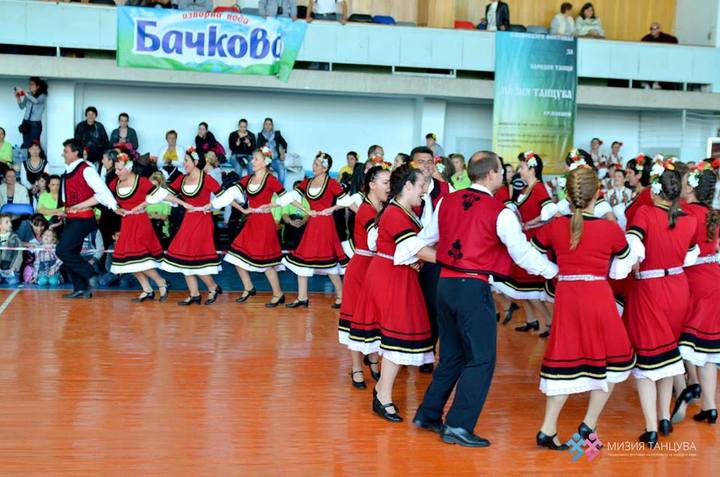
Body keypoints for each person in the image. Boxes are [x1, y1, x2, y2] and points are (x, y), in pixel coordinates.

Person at [413, 151, 558, 446]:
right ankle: (458, 425)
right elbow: (523, 254)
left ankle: (428, 414)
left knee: (452, 355)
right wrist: (555, 271)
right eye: (501, 172)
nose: (504, 176)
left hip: (445, 284)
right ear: (491, 173)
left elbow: (426, 237)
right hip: (472, 287)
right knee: (481, 358)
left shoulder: (446, 201)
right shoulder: (499, 211)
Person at [531, 166, 636, 450]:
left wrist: (557, 271)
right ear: (597, 194)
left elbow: (533, 252)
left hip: (567, 295)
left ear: (567, 193)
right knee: (614, 360)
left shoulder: (554, 225)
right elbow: (623, 264)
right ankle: (588, 424)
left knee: (564, 355)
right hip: (597, 296)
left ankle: (548, 428)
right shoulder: (610, 228)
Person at [351, 165, 437, 423]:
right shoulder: (395, 213)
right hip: (390, 278)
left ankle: (382, 392)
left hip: (396, 275)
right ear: (408, 186)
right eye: (421, 185)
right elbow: (413, 246)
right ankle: (383, 395)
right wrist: (453, 260)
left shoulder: (403, 210)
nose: (423, 190)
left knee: (394, 337)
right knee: (395, 336)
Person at [625, 158, 699, 448]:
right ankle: (664, 418)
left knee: (646, 361)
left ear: (655, 190)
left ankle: (651, 427)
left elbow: (632, 250)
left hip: (651, 289)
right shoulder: (689, 219)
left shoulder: (644, 213)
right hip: (678, 287)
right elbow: (690, 256)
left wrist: (629, 266)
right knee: (668, 355)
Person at [208, 147, 291, 307]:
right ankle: (248, 287)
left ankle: (278, 294)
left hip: (265, 223)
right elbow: (230, 194)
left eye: (256, 159)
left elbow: (287, 198)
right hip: (252, 221)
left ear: (265, 162)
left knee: (266, 263)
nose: (252, 161)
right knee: (235, 256)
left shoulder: (271, 180)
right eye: (253, 159)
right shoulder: (248, 179)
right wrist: (241, 209)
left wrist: (271, 204)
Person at [673, 161, 719, 425]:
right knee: (709, 351)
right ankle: (710, 407)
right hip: (714, 278)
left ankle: (684, 390)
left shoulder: (684, 213)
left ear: (690, 188)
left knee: (679, 343)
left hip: (694, 282)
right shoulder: (713, 213)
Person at [340, 165, 391, 389]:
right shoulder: (366, 210)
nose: (389, 187)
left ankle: (372, 359)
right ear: (372, 184)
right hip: (362, 268)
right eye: (385, 182)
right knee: (356, 318)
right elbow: (376, 240)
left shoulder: (385, 207)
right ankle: (356, 367)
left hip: (377, 267)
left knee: (375, 316)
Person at [152, 147, 223, 305]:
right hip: (189, 220)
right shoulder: (182, 179)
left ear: (196, 162)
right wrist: (182, 202)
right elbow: (166, 194)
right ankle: (194, 293)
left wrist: (210, 205)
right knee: (182, 256)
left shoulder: (206, 178)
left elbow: (223, 195)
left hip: (203, 221)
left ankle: (212, 287)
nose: (183, 164)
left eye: (186, 161)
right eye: (183, 161)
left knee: (196, 257)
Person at [496, 152, 556, 335]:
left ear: (531, 169)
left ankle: (550, 323)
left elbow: (549, 212)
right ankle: (537, 321)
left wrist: (528, 224)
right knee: (525, 287)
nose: (519, 171)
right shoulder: (526, 189)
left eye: (521, 167)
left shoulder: (538, 188)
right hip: (527, 239)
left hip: (536, 242)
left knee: (532, 286)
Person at [283, 152, 348, 308]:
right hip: (313, 224)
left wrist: (331, 209)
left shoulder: (331, 183)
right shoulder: (308, 182)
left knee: (329, 265)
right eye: (313, 163)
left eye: (317, 164)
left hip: (326, 225)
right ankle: (302, 297)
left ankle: (342, 297)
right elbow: (292, 197)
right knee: (302, 261)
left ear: (325, 168)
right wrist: (306, 210)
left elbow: (346, 200)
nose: (313, 166)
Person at [55, 138, 118, 299]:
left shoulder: (86, 169)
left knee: (62, 250)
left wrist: (114, 206)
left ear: (76, 152)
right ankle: (81, 288)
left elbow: (102, 190)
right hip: (72, 217)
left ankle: (90, 274)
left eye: (66, 151)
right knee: (71, 251)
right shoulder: (69, 169)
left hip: (83, 219)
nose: (63, 154)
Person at [108, 150, 169, 303]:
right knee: (129, 261)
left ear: (128, 168)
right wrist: (114, 208)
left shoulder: (141, 181)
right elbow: (105, 197)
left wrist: (181, 202)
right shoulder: (114, 183)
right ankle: (147, 289)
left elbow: (160, 194)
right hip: (127, 223)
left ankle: (161, 282)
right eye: (115, 169)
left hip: (141, 222)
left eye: (119, 169)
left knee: (140, 258)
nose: (116, 172)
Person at [412, 146, 453, 373]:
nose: (426, 165)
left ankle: (428, 354)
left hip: (434, 256)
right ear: (412, 165)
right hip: (409, 254)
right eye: (421, 161)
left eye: (429, 161)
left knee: (433, 306)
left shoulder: (447, 189)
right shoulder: (406, 188)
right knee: (409, 304)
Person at [15, 77, 47, 149]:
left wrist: (24, 92)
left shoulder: (43, 96)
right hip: (25, 122)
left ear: (38, 86)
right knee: (26, 143)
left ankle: (35, 160)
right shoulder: (28, 95)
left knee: (34, 145)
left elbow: (35, 101)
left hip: (35, 124)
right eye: (29, 84)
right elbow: (22, 106)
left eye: (32, 84)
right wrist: (18, 98)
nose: (30, 86)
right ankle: (27, 160)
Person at [256, 118, 288, 185]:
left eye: (270, 124)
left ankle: (279, 190)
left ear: (272, 126)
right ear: (263, 125)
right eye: (266, 124)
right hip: (265, 159)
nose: (268, 126)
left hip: (275, 159)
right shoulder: (260, 135)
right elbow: (258, 148)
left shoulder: (277, 134)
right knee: (264, 175)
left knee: (282, 170)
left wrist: (282, 153)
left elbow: (284, 144)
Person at [0, 214, 22, 286]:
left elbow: (19, 254)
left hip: (10, 268)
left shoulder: (15, 238)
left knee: (13, 282)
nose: (10, 224)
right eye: (7, 222)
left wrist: (14, 267)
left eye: (10, 222)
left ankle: (6, 278)